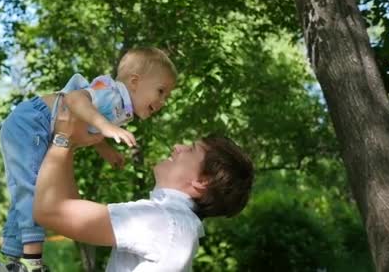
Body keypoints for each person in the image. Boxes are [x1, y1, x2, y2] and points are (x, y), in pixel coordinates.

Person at [0, 48, 177, 272]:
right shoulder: (113, 93)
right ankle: (31, 261)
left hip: (34, 126)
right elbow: (75, 100)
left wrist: (105, 149)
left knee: (26, 192)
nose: (163, 101)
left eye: (167, 96)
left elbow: (87, 122)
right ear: (134, 81)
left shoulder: (122, 107)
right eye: (161, 91)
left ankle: (7, 258)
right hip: (33, 123)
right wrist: (106, 127)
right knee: (33, 191)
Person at [32, 101, 254, 271]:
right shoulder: (176, 223)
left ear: (202, 181)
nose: (178, 147)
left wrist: (63, 136)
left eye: (191, 150)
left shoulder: (161, 220)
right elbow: (71, 213)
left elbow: (49, 212)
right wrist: (69, 142)